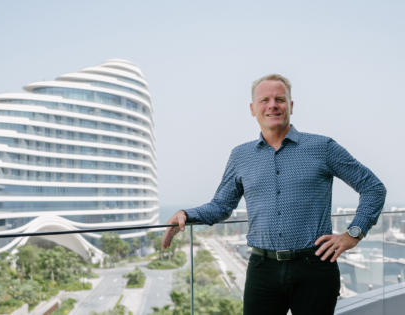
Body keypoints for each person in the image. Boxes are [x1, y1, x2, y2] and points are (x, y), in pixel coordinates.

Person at [162, 74, 387, 315]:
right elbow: (221, 206)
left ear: (290, 106)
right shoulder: (240, 156)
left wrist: (354, 233)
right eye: (264, 100)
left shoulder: (322, 147)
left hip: (315, 267)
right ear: (253, 109)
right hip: (262, 269)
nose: (272, 105)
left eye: (280, 99)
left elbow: (373, 187)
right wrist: (187, 214)